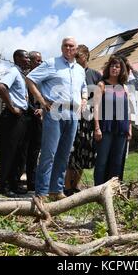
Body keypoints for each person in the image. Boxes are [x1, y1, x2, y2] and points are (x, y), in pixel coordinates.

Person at [26, 37, 87, 201]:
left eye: (71, 46)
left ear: (76, 49)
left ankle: (56, 190)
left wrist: (84, 100)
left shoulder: (80, 69)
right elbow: (30, 79)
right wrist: (41, 100)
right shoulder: (51, 63)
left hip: (73, 114)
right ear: (61, 48)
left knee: (64, 154)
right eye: (65, 46)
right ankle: (41, 192)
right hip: (54, 112)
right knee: (49, 153)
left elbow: (84, 88)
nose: (68, 48)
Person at [64, 45, 102, 196]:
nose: (75, 59)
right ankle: (66, 186)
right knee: (71, 152)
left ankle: (75, 186)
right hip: (73, 115)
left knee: (84, 152)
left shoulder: (95, 75)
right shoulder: (72, 72)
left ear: (85, 56)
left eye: (78, 56)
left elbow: (100, 96)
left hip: (89, 119)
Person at [93, 56, 131, 185]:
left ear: (121, 70)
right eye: (112, 66)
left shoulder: (124, 87)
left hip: (121, 128)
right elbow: (96, 107)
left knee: (117, 161)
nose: (114, 68)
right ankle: (97, 190)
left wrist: (129, 128)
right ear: (108, 68)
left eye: (117, 66)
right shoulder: (102, 84)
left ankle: (114, 189)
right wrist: (97, 127)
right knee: (102, 161)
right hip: (106, 127)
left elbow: (128, 110)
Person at [0, 49, 30, 196]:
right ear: (17, 58)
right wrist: (12, 108)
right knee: (9, 152)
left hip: (21, 117)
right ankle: (3, 187)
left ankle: (14, 184)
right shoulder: (13, 72)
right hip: (11, 117)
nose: (28, 60)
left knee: (19, 152)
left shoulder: (22, 75)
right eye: (26, 57)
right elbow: (1, 87)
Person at [17, 51, 43, 191]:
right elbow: (23, 98)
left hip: (39, 120)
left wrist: (43, 110)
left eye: (41, 61)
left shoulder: (44, 78)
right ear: (31, 62)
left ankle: (32, 182)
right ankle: (18, 180)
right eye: (37, 61)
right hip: (26, 119)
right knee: (23, 151)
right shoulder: (25, 78)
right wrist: (34, 110)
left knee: (35, 151)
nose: (40, 63)